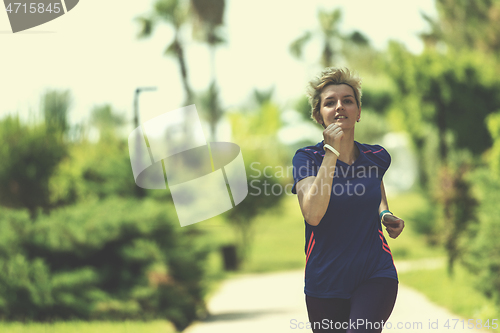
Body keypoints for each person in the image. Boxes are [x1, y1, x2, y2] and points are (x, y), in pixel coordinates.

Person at [291, 67, 405, 333]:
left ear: (359, 111)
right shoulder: (306, 158)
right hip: (325, 281)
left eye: (348, 100)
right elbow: (313, 214)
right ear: (318, 115)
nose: (340, 106)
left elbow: (375, 190)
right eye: (330, 102)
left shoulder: (376, 156)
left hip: (374, 273)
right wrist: (331, 151)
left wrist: (384, 215)